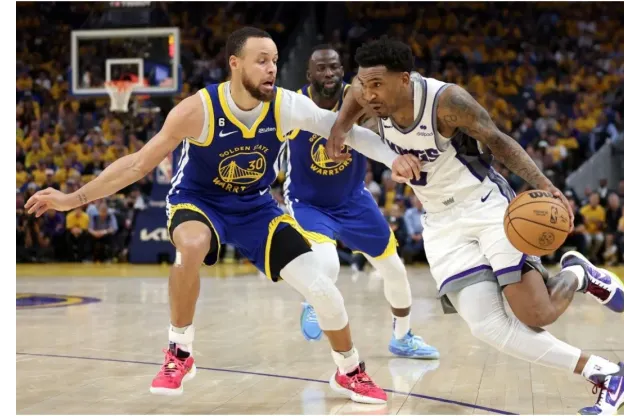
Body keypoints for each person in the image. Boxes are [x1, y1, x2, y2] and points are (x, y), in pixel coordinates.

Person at [25, 28, 423, 405]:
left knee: (322, 288)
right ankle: (179, 350)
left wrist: (393, 158)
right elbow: (137, 165)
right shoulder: (197, 109)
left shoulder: (286, 106)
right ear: (235, 64)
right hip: (199, 203)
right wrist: (72, 198)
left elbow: (348, 131)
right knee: (192, 246)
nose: (271, 68)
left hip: (255, 207)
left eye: (275, 60)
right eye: (261, 60)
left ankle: (348, 369)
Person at [325, 38, 624, 414]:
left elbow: (499, 141)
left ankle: (577, 274)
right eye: (364, 83)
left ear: (405, 80)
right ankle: (607, 374)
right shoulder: (365, 94)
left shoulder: (446, 102)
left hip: (486, 206)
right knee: (486, 326)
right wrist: (339, 130)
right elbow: (350, 99)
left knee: (535, 315)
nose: (368, 93)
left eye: (377, 84)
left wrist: (546, 186)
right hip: (440, 225)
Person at [282, 45, 438, 359]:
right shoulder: (292, 104)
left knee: (394, 270)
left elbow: (368, 137)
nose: (329, 74)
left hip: (353, 200)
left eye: (335, 68)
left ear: (344, 71)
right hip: (308, 202)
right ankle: (313, 300)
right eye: (322, 69)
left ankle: (402, 337)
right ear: (308, 74)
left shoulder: (361, 99)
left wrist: (396, 158)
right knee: (328, 262)